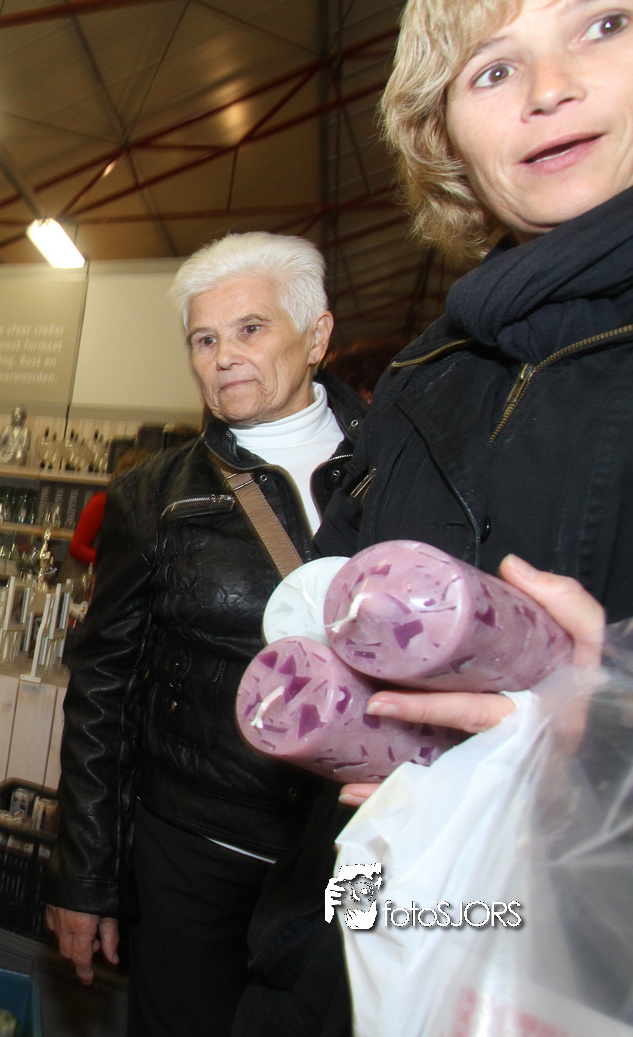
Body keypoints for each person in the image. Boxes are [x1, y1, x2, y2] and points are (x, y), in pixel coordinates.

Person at [236, 0, 633, 1029]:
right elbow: (327, 604)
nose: (550, 89)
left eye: (604, 25)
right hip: (349, 939)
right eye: (491, 70)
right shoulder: (422, 377)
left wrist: (607, 737)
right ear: (442, 134)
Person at [43, 232, 365, 1037]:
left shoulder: (394, 469)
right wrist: (86, 874)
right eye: (203, 339)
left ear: (316, 336)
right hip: (194, 856)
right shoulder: (152, 494)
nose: (223, 357)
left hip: (351, 849)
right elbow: (102, 691)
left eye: (249, 328)